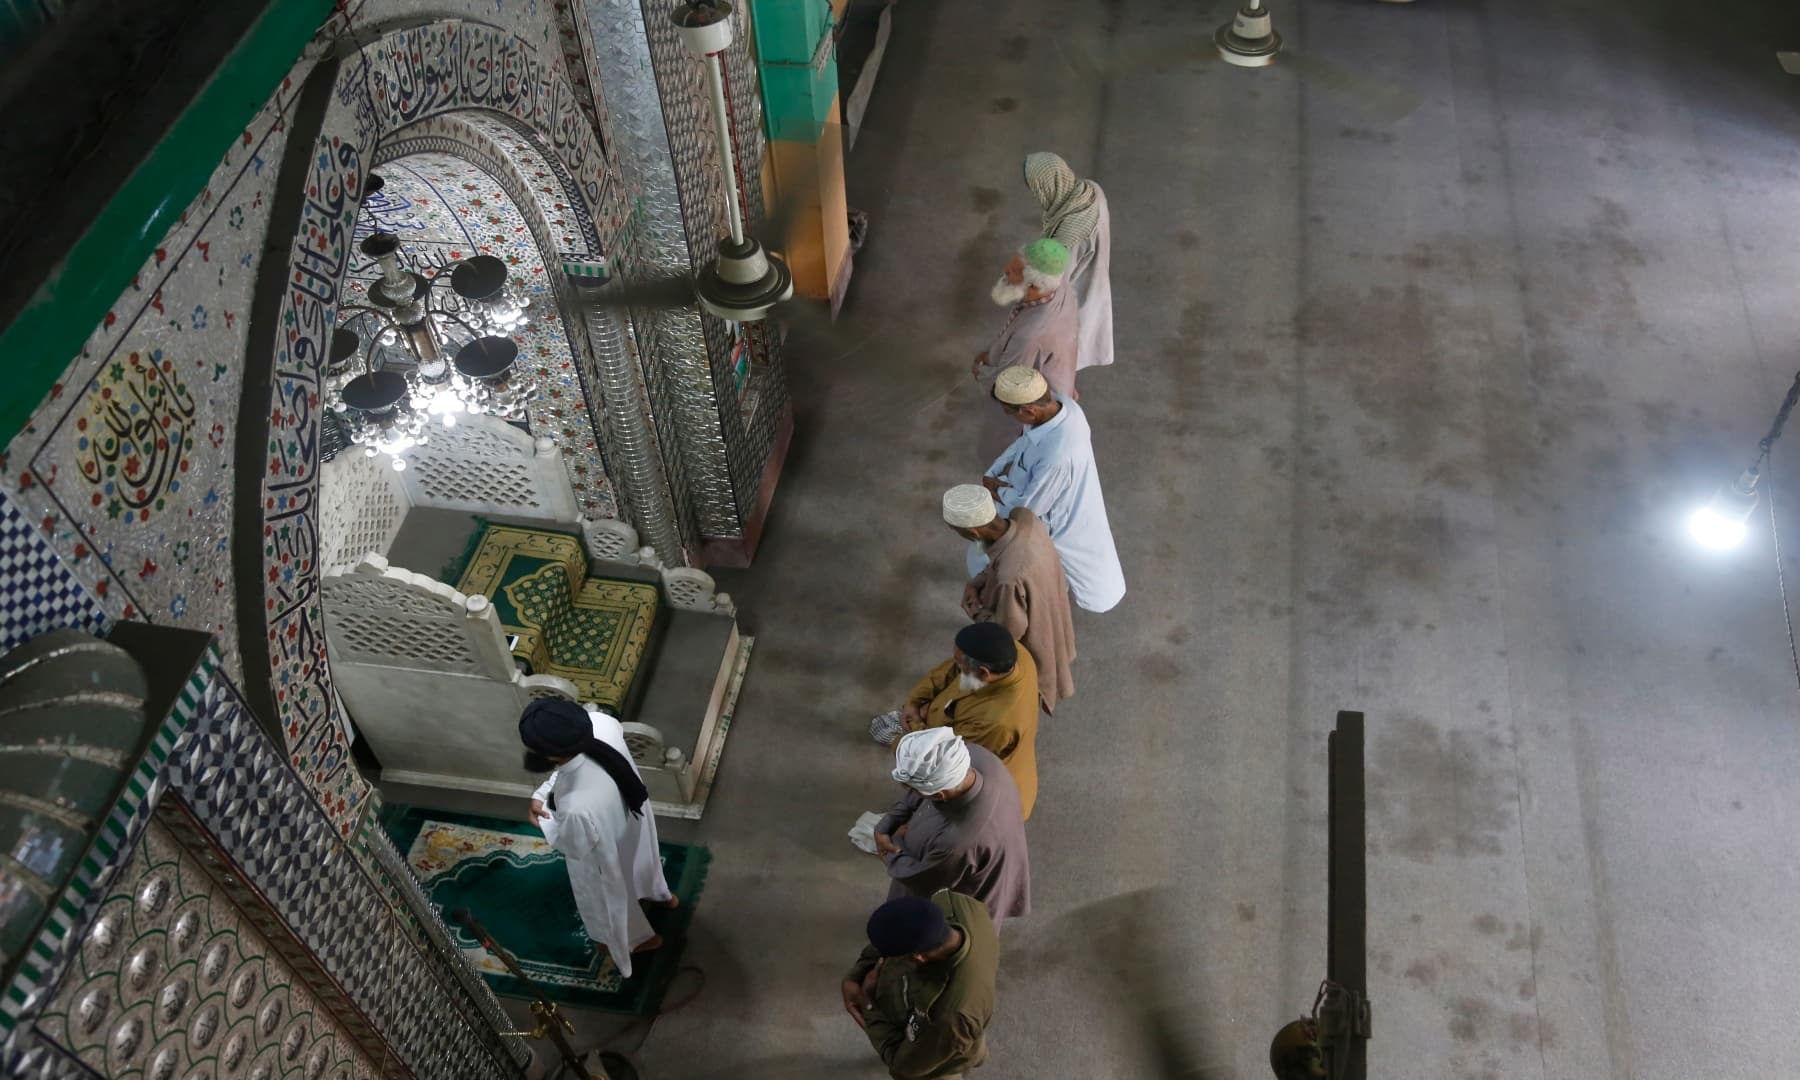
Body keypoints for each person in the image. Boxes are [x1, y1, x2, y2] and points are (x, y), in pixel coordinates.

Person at [520, 698, 676, 979]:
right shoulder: (600, 725)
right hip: (632, 818)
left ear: (551, 755)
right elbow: (574, 768)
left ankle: (639, 940)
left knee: (604, 901)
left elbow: (574, 844)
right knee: (642, 861)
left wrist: (546, 821)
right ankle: (662, 895)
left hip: (603, 851)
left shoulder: (577, 806)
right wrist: (542, 794)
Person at [985, 366, 1126, 614]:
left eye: (1010, 412)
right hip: (1055, 499)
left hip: (1054, 520)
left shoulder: (1057, 457)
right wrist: (994, 469)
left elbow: (1028, 508)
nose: (1009, 417)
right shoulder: (1063, 406)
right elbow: (1025, 441)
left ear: (1029, 410)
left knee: (1035, 565)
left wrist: (997, 490)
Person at [869, 622, 1039, 819]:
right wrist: (915, 703)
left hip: (987, 790)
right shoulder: (1013, 653)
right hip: (963, 728)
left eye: (961, 665)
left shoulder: (996, 723)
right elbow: (947, 672)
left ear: (984, 673)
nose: (956, 665)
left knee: (932, 801)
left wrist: (908, 734)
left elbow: (945, 758)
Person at [875, 728, 1031, 927]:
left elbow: (921, 878)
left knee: (931, 929)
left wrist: (889, 851)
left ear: (940, 796)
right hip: (982, 854)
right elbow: (919, 791)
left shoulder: (957, 842)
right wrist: (888, 823)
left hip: (964, 891)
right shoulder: (973, 756)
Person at [942, 483, 1076, 713]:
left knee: (1008, 700)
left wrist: (975, 610)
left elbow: (1006, 633)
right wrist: (980, 580)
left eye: (960, 533)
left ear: (973, 533)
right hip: (1052, 614)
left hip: (1031, 646)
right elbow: (1003, 559)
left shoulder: (1008, 580)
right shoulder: (1026, 518)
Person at [840, 892, 999, 1080]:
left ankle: (966, 1056)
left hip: (936, 1052)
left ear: (919, 956)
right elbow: (901, 928)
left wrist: (867, 1004)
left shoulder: (948, 1016)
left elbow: (903, 1065)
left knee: (951, 1057)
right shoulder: (957, 904)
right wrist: (855, 975)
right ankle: (974, 1053)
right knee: (970, 1045)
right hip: (962, 1028)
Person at [972, 238, 1080, 463]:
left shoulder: (1029, 337)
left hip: (1031, 398)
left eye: (1013, 272)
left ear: (1033, 287)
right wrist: (994, 351)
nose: (1005, 272)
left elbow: (1006, 383)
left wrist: (981, 370)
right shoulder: (1061, 289)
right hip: (1061, 380)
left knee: (1008, 446)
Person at [1024, 151, 1113, 371]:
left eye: (1036, 188)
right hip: (1095, 281)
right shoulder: (1090, 190)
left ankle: (1062, 399)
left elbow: (1052, 284)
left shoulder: (1069, 237)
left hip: (1073, 301)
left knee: (1057, 365)